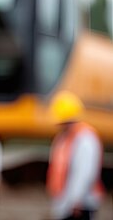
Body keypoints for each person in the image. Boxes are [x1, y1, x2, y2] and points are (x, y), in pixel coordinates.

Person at [47, 91, 104, 220]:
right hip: (65, 202)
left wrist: (75, 200)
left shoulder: (85, 139)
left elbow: (84, 172)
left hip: (80, 205)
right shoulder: (64, 138)